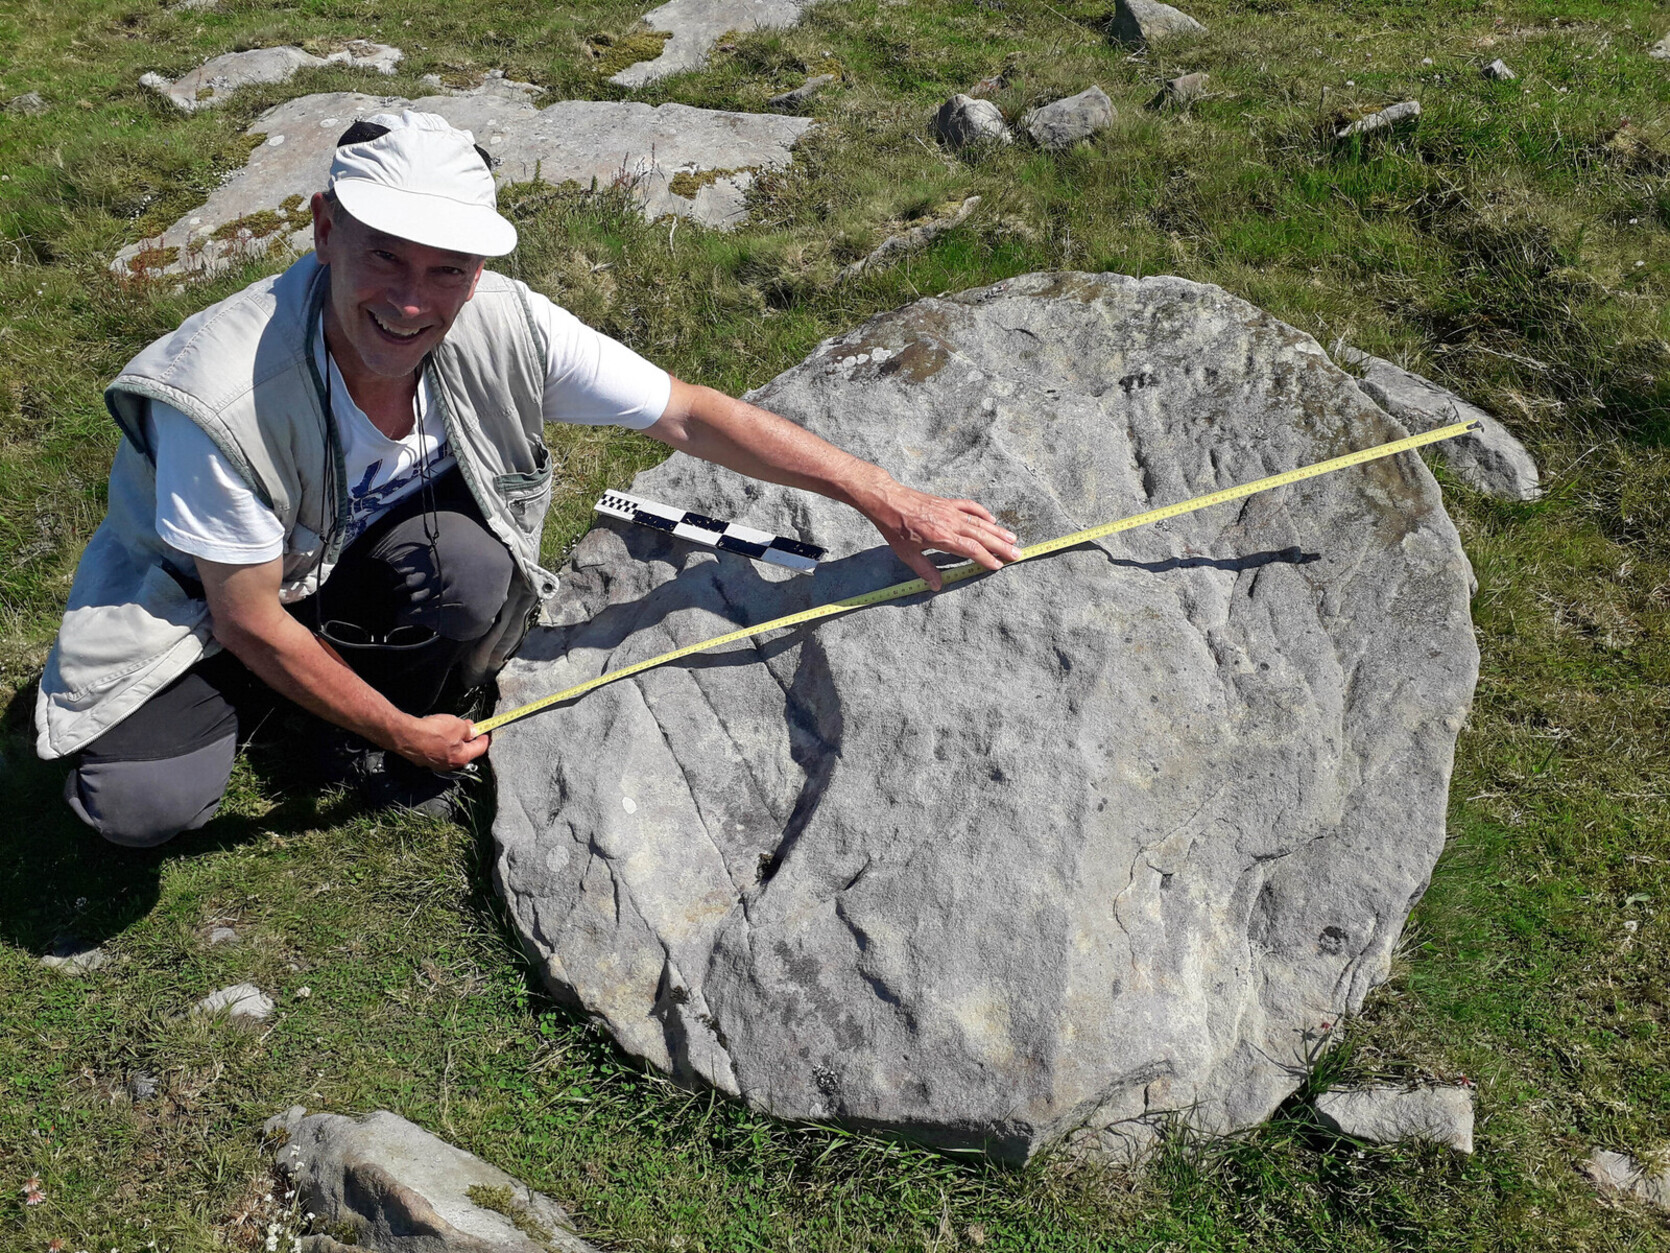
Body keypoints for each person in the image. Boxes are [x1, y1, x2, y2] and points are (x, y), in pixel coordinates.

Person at [35, 110, 1021, 847]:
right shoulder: (224, 395)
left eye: (448, 270)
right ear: (323, 228)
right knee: (138, 808)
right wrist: (403, 733)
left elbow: (686, 412)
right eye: (385, 258)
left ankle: (332, 699)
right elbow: (246, 614)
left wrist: (883, 495)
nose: (412, 304)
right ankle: (295, 704)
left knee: (469, 572)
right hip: (203, 602)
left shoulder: (506, 319)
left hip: (337, 558)